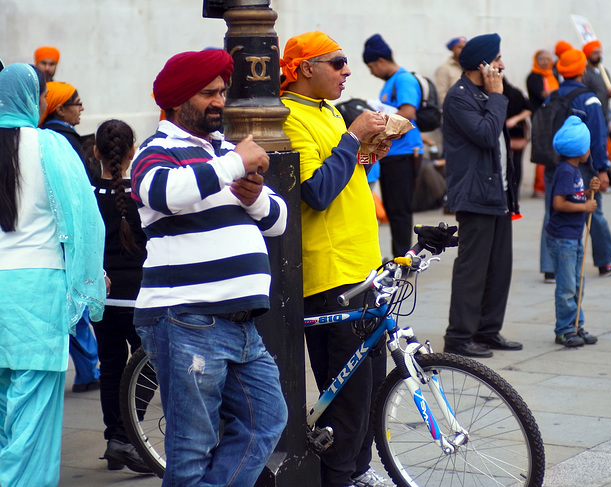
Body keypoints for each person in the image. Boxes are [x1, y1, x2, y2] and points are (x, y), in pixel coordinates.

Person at [131, 49, 288, 486]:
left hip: (241, 326)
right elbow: (162, 192)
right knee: (191, 447)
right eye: (208, 93)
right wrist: (234, 164)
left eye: (222, 91)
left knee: (267, 420)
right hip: (187, 318)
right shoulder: (157, 150)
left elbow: (279, 221)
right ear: (179, 100)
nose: (220, 100)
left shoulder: (222, 154)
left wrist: (253, 194)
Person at [280, 31, 389, 487]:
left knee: (373, 386)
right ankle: (339, 476)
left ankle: (359, 470)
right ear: (306, 68)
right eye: (338, 62)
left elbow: (342, 174)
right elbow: (317, 193)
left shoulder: (326, 110)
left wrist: (366, 153)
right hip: (330, 273)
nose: (348, 70)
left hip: (363, 264)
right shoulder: (289, 117)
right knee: (345, 390)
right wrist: (353, 138)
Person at [0, 63, 105, 487]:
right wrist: (89, 280)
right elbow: (85, 221)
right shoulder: (51, 146)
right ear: (33, 99)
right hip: (37, 291)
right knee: (32, 417)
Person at [440, 33, 523, 358]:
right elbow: (487, 135)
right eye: (497, 58)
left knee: (499, 267)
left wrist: (497, 94)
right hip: (475, 195)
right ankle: (459, 337)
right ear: (483, 64)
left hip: (498, 194)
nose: (502, 64)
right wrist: (497, 96)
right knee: (472, 269)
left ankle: (488, 331)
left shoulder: (484, 93)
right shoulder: (459, 97)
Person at [90, 119, 152, 473]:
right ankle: (127, 437)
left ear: (95, 151)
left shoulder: (88, 193)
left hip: (102, 295)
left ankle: (115, 437)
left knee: (111, 366)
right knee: (151, 364)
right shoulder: (141, 193)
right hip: (138, 294)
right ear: (133, 152)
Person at [540, 48, 611, 280]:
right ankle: (606, 260)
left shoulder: (552, 96)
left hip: (554, 164)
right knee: (593, 210)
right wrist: (602, 169)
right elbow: (598, 137)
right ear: (582, 70)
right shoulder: (588, 98)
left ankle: (550, 268)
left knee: (552, 210)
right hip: (584, 167)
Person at [40, 81, 103, 393]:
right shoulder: (60, 141)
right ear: (59, 108)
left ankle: (88, 370)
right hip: (61, 244)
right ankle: (89, 370)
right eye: (76, 103)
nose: (81, 108)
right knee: (74, 306)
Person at [363, 33, 424, 257]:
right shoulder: (390, 82)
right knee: (393, 209)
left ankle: (403, 258)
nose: (372, 72)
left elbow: (408, 112)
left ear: (380, 61)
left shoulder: (403, 79)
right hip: (392, 154)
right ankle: (399, 255)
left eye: (371, 67)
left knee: (400, 211)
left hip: (403, 154)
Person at [546, 116, 600, 347]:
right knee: (567, 286)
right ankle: (565, 329)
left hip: (574, 237)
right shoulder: (566, 171)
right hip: (563, 239)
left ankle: (577, 324)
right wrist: (585, 206)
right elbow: (559, 204)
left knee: (578, 283)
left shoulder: (574, 171)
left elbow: (573, 196)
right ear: (580, 148)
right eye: (587, 145)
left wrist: (588, 192)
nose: (589, 149)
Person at [527, 49, 559, 198]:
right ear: (536, 60)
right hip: (541, 117)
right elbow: (542, 94)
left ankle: (551, 184)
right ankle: (540, 186)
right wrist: (557, 91)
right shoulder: (533, 76)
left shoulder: (553, 75)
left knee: (553, 150)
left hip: (553, 116)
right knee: (542, 151)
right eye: (542, 59)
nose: (546, 62)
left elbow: (552, 93)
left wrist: (553, 91)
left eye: (548, 58)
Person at [503, 77, 532, 195]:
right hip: (509, 133)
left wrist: (514, 120)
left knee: (515, 162)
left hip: (514, 133)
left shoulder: (514, 93)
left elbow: (529, 109)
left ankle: (513, 192)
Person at [582, 39, 611, 122]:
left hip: (605, 114)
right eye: (595, 53)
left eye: (599, 53)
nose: (598, 56)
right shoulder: (585, 72)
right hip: (592, 115)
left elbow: (610, 88)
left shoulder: (604, 71)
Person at [434, 36, 466, 103]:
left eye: (465, 48)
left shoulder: (469, 67)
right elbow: (441, 94)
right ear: (452, 49)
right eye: (459, 47)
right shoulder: (444, 68)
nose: (463, 50)